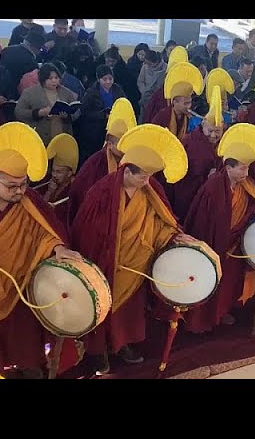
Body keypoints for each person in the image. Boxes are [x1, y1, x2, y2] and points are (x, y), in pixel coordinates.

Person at [71, 124, 191, 374]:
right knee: (103, 306)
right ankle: (99, 350)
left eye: (149, 176)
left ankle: (121, 344)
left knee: (129, 311)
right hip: (108, 262)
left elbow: (162, 220)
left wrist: (173, 235)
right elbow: (87, 230)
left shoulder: (150, 189)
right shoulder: (102, 192)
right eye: (142, 176)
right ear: (126, 170)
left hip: (138, 262)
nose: (147, 181)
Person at [0, 122, 81, 378]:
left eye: (23, 184)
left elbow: (44, 232)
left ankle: (26, 361)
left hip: (21, 280)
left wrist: (57, 247)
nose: (19, 191)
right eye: (11, 186)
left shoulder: (28, 201)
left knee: (24, 330)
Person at [183, 123, 255, 332]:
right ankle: (200, 319)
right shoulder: (213, 187)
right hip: (214, 244)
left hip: (233, 245)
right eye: (242, 168)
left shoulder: (244, 184)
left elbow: (254, 203)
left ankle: (222, 312)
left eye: (248, 167)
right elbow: (202, 221)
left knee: (229, 283)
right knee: (209, 281)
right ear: (228, 167)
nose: (246, 172)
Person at [67, 98, 137, 222]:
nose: (125, 149)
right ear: (109, 144)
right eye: (121, 144)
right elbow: (80, 191)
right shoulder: (95, 163)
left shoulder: (132, 162)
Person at [171, 83, 226, 223]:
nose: (213, 135)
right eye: (210, 131)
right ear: (202, 126)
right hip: (188, 193)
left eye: (218, 132)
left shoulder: (223, 145)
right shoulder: (191, 142)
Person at [14, 63, 79, 146]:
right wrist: (38, 113)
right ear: (42, 79)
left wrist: (68, 116)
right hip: (39, 138)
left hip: (62, 138)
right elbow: (18, 112)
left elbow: (77, 112)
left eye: (56, 78)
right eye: (50, 78)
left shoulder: (67, 93)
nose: (54, 81)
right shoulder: (29, 93)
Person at [77, 65, 126, 164]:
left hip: (113, 127)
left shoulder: (118, 89)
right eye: (105, 79)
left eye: (110, 79)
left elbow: (124, 103)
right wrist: (103, 116)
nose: (108, 82)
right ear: (98, 79)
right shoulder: (91, 92)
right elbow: (85, 112)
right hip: (96, 130)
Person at [151, 62, 204, 141]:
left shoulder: (189, 117)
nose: (189, 106)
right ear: (175, 102)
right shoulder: (163, 116)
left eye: (189, 102)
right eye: (185, 103)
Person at [41, 133, 78, 226]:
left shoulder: (75, 188)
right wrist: (49, 192)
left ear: (69, 173)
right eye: (53, 171)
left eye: (59, 172)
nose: (54, 175)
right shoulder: (50, 182)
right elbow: (39, 210)